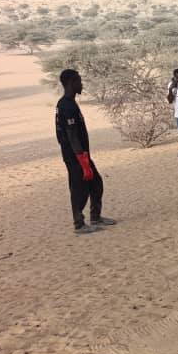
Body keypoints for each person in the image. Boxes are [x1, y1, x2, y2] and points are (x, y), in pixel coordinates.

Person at [55, 69, 116, 234]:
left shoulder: (71, 103)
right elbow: (72, 135)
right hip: (75, 156)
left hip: (82, 155)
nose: (81, 84)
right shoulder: (66, 105)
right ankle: (79, 224)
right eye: (79, 81)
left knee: (96, 183)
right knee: (78, 188)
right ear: (71, 83)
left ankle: (95, 217)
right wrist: (83, 161)